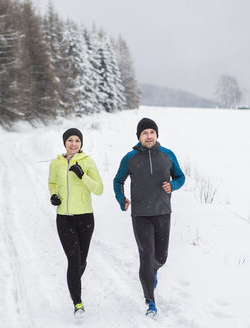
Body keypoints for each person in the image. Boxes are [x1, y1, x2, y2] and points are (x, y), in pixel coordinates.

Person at [113, 117, 185, 319]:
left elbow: (180, 177)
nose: (149, 136)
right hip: (141, 215)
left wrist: (174, 186)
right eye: (144, 133)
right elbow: (118, 180)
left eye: (152, 132)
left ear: (157, 135)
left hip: (163, 212)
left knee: (160, 257)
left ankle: (152, 273)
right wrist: (122, 199)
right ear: (139, 137)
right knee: (146, 257)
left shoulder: (167, 155)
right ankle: (150, 302)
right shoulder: (130, 157)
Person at [48, 128, 103, 317]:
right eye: (70, 140)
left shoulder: (87, 162)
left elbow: (98, 189)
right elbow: (52, 183)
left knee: (81, 261)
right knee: (73, 260)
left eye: (77, 141)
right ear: (64, 143)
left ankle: (73, 283)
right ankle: (77, 303)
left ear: (81, 144)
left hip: (85, 217)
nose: (73, 144)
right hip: (64, 218)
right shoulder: (56, 164)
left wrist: (82, 175)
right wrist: (54, 195)